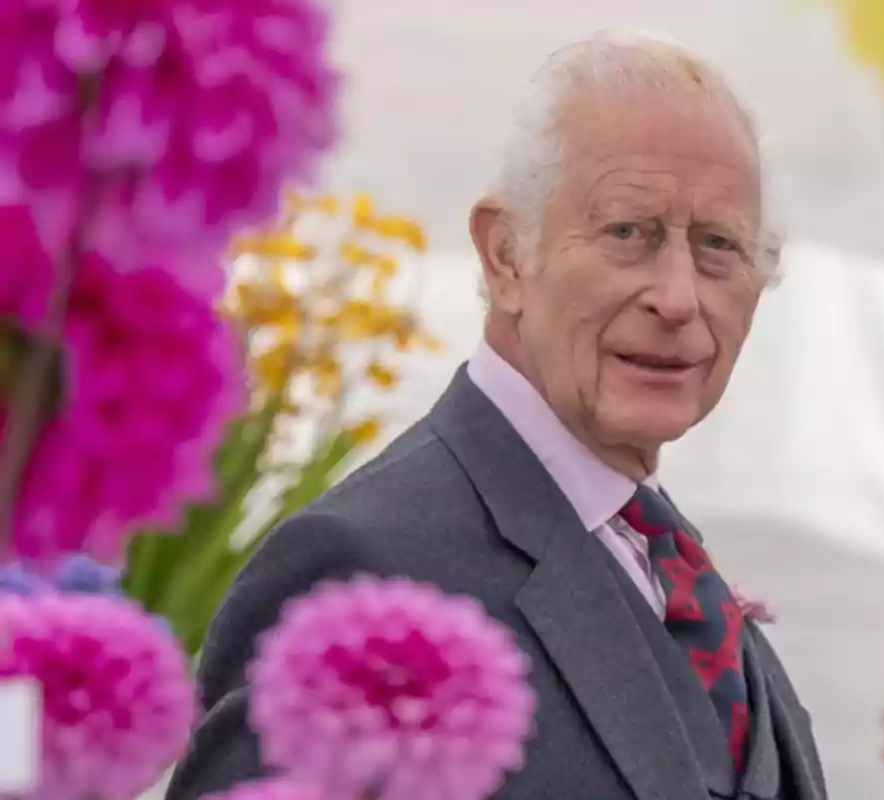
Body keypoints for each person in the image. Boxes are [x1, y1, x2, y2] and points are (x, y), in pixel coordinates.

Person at [167, 28, 827, 800]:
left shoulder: (659, 554)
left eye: (719, 245)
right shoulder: (360, 568)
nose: (678, 299)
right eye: (628, 233)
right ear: (505, 255)